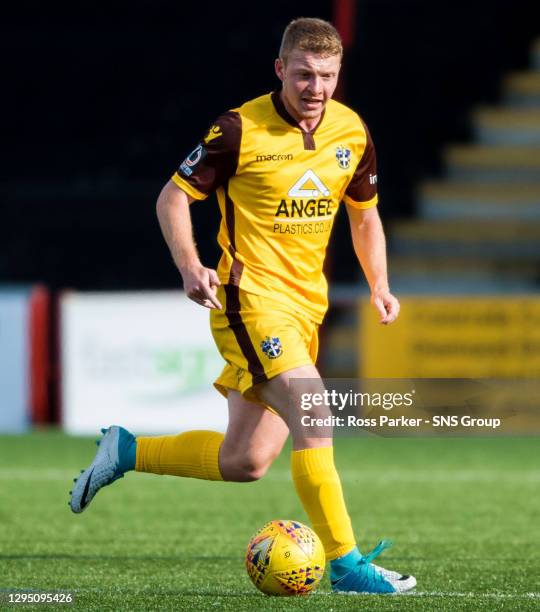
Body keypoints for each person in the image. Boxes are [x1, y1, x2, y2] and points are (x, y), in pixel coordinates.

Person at [69, 17, 416, 594]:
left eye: (327, 75)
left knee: (246, 462)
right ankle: (346, 565)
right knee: (313, 409)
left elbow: (365, 214)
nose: (316, 88)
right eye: (303, 74)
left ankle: (127, 450)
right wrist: (189, 264)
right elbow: (172, 198)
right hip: (247, 300)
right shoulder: (237, 130)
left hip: (306, 311)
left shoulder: (351, 131)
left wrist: (379, 283)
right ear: (280, 70)